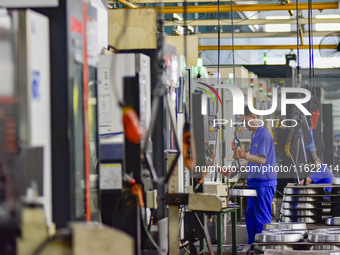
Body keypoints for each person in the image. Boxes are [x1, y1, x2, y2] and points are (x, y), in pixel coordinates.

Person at [233, 106, 277, 244]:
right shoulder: (254, 134)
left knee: (261, 219)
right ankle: (253, 246)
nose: (244, 125)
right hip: (255, 184)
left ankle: (263, 249)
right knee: (250, 216)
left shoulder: (263, 134)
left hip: (263, 183)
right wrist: (238, 169)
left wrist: (244, 155)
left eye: (245, 121)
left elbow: (262, 160)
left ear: (253, 117)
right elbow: (253, 160)